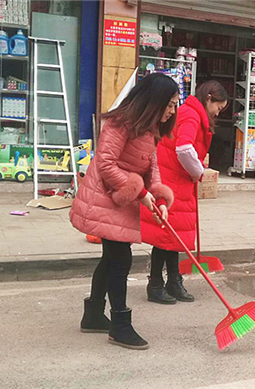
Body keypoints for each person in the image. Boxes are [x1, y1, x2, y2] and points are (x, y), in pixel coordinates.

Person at [70, 73, 179, 349]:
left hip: (123, 199)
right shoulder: (120, 123)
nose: (172, 111)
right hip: (106, 197)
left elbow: (150, 168)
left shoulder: (150, 127)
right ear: (154, 101)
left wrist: (160, 199)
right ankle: (120, 324)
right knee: (120, 260)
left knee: (111, 259)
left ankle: (94, 314)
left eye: (175, 105)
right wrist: (140, 193)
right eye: (169, 104)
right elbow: (105, 164)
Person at [140, 80, 229, 305]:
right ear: (209, 98)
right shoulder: (191, 114)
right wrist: (198, 171)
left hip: (176, 179)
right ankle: (156, 285)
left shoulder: (192, 112)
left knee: (173, 236)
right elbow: (184, 148)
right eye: (218, 108)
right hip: (172, 181)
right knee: (165, 235)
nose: (218, 113)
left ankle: (173, 281)